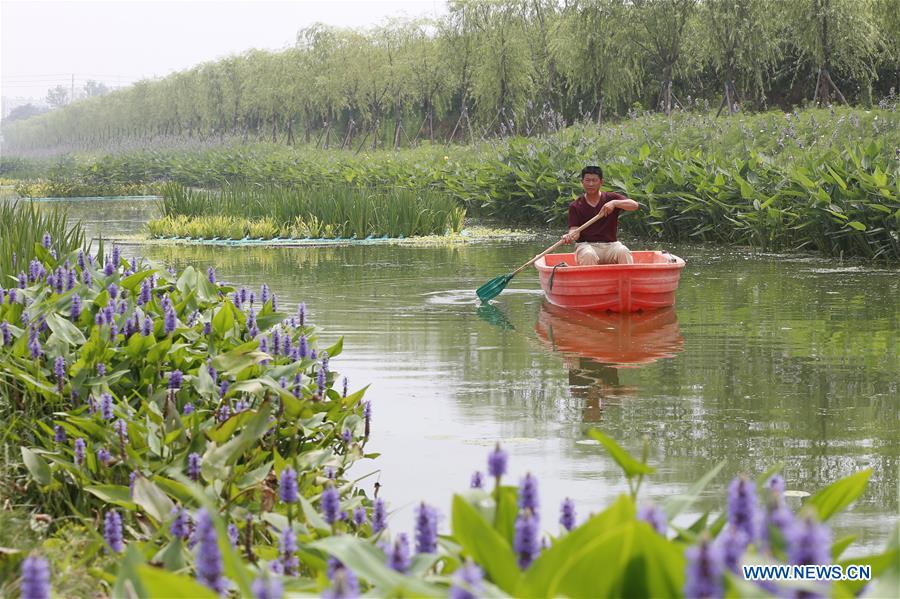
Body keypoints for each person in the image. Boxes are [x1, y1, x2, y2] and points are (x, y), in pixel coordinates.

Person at [561, 165, 639, 265]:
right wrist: (569, 236)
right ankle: (589, 280)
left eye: (594, 180)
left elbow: (634, 205)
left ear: (601, 182)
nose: (591, 184)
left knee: (623, 251)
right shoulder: (575, 205)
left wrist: (615, 203)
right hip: (587, 245)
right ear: (582, 182)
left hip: (610, 245)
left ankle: (627, 280)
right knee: (588, 254)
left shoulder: (611, 198)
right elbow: (575, 231)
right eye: (587, 180)